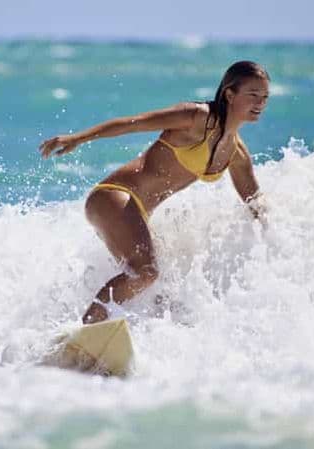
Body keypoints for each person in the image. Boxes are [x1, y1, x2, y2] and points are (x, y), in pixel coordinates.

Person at [39, 61, 269, 324]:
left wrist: (282, 237)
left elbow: (255, 202)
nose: (260, 102)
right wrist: (78, 138)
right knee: (145, 272)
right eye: (253, 94)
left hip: (135, 213)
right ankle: (85, 333)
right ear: (230, 94)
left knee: (163, 299)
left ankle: (98, 343)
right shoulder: (197, 117)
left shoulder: (236, 153)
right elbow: (132, 124)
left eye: (264, 97)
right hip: (114, 196)